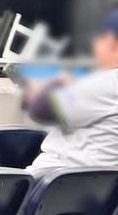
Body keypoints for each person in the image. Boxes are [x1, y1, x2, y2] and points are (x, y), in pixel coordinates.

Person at [25, 9, 118, 171]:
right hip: (99, 183)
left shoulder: (107, 83)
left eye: (100, 39)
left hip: (56, 177)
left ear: (112, 43)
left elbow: (39, 110)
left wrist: (59, 82)